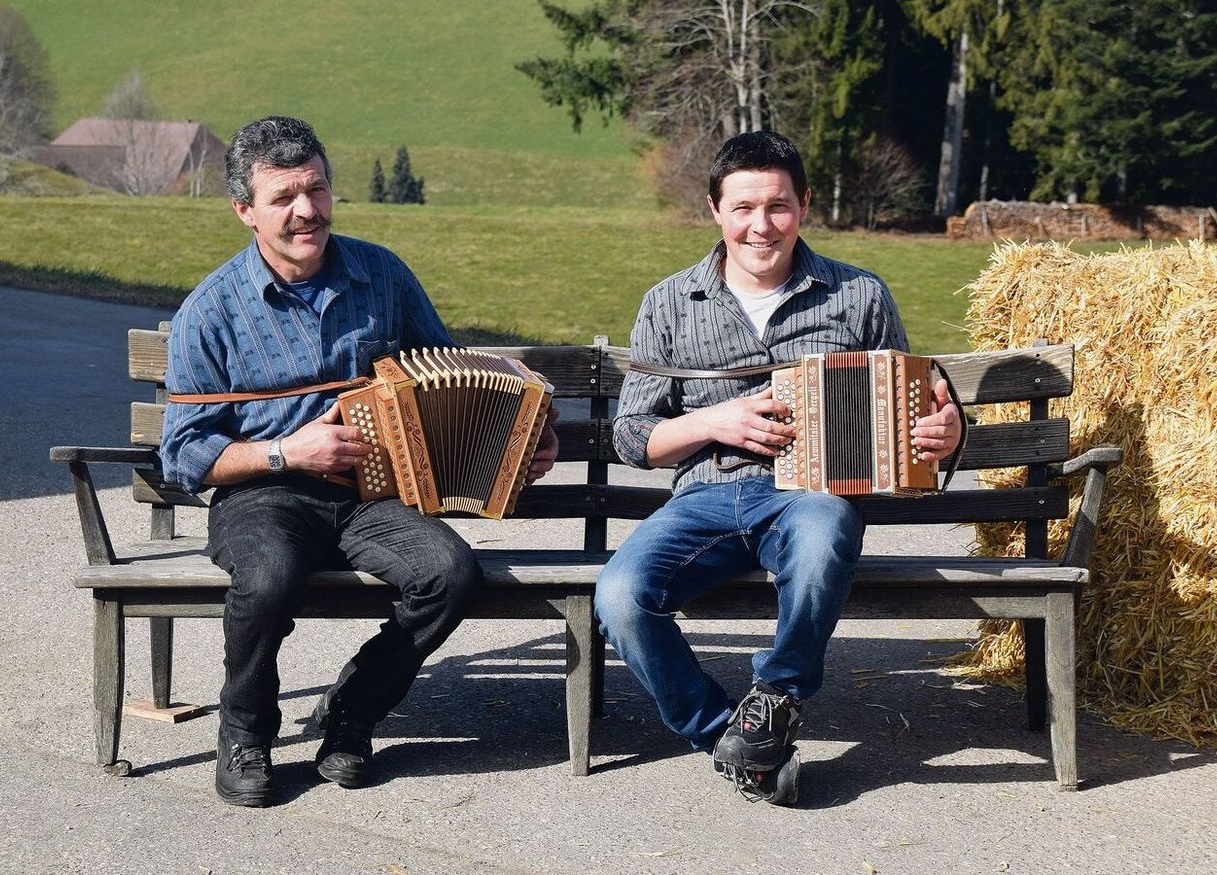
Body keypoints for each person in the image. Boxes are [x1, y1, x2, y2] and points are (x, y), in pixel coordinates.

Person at [160, 116, 557, 807]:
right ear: (244, 211)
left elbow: (445, 372)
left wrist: (518, 437)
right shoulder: (210, 311)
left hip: (375, 495)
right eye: (282, 197)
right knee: (269, 573)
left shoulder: (382, 274)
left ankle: (352, 715)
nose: (305, 210)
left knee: (450, 573)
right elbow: (185, 453)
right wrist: (288, 449)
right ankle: (246, 730)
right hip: (266, 494)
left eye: (315, 189)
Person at [594, 130, 962, 804]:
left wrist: (945, 430)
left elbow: (916, 406)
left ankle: (779, 695)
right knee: (618, 597)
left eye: (778, 206)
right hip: (701, 501)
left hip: (809, 495)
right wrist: (712, 421)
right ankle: (733, 738)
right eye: (742, 208)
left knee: (825, 532)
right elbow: (631, 436)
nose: (761, 225)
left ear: (805, 205)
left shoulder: (860, 295)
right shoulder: (668, 301)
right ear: (714, 210)